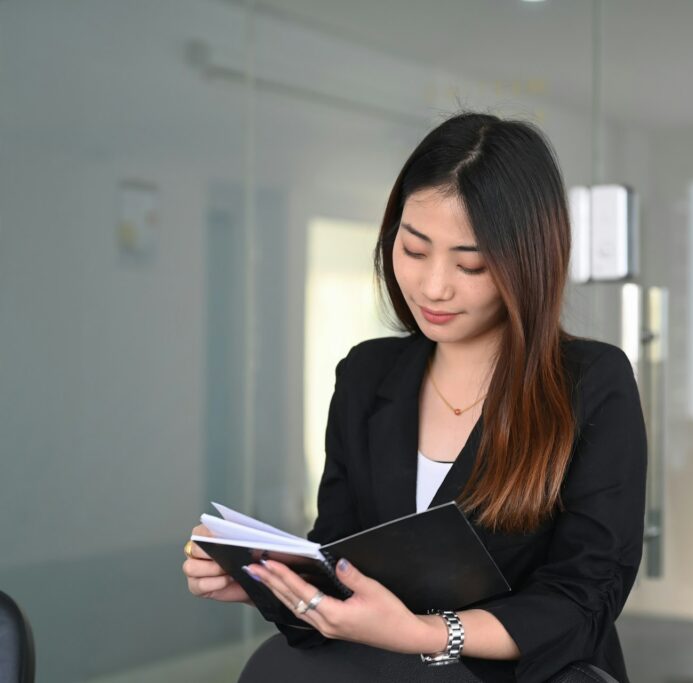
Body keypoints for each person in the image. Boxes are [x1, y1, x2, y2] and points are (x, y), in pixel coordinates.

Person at [181, 111, 648, 682]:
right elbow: (341, 564)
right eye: (414, 248)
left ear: (527, 263)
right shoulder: (367, 374)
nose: (433, 286)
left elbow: (584, 599)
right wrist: (266, 584)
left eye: (470, 263)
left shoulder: (590, 382)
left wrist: (426, 634)